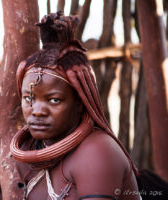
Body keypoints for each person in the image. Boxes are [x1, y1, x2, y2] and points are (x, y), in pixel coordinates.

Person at [10, 12, 141, 200]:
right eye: (29, 99)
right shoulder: (28, 151)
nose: (37, 111)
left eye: (54, 100)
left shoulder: (96, 151)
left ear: (80, 103)